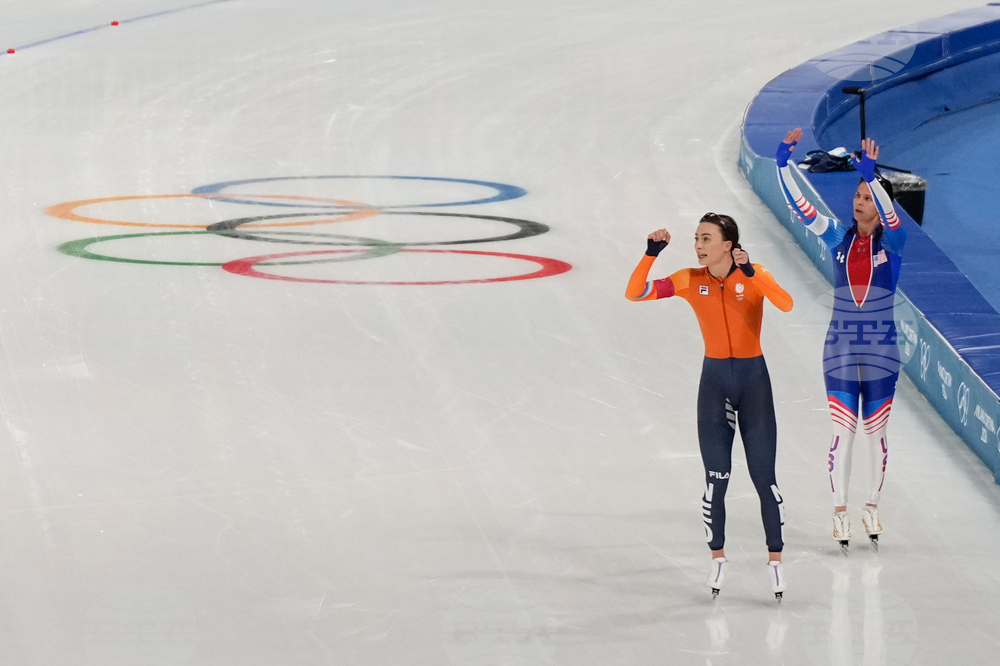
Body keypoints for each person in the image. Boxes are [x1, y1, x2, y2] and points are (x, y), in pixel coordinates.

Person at [625, 213, 793, 599]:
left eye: (706, 238)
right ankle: (717, 557)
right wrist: (650, 255)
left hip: (754, 384)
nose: (698, 245)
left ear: (728, 245)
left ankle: (776, 561)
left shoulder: (753, 273)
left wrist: (752, 273)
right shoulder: (689, 279)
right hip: (714, 385)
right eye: (696, 238)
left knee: (764, 479)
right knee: (716, 480)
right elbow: (634, 293)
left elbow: (785, 304)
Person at [776, 129, 906, 551]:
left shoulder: (896, 242)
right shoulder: (838, 237)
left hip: (882, 349)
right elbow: (801, 207)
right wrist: (783, 166)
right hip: (841, 347)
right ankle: (839, 511)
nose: (858, 200)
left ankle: (871, 506)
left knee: (875, 433)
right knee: (843, 431)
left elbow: (891, 217)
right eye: (857, 195)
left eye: (866, 196)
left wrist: (874, 180)